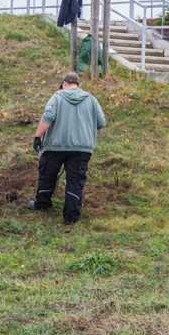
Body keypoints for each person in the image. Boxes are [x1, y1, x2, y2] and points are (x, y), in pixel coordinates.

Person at [27, 72, 107, 225]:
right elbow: (101, 122)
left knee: (47, 175)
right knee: (75, 181)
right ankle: (71, 216)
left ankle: (42, 203)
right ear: (78, 85)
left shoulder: (57, 97)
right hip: (82, 149)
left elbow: (48, 117)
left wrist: (38, 136)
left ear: (64, 83)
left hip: (55, 146)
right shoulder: (91, 99)